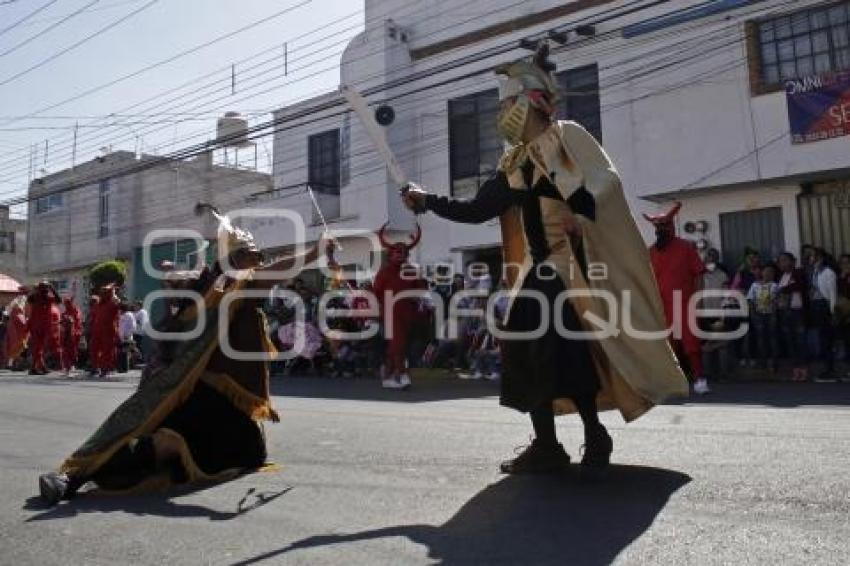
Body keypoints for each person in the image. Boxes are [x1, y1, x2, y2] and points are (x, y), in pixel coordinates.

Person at [402, 43, 687, 474]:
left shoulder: (566, 137)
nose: (503, 113)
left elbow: (603, 182)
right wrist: (425, 202)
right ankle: (548, 445)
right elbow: (477, 209)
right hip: (540, 269)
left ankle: (594, 435)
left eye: (508, 103)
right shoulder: (513, 162)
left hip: (573, 264)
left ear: (532, 101)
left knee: (567, 351)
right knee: (524, 347)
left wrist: (579, 210)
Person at [37, 204, 333, 506]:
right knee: (158, 439)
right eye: (248, 254)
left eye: (255, 255)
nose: (255, 260)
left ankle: (101, 474)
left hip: (228, 402)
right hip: (198, 393)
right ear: (233, 258)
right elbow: (273, 272)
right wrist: (313, 254)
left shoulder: (220, 289)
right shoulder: (229, 288)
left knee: (248, 451)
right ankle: (72, 478)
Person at [645, 202, 709, 394]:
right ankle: (672, 382)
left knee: (691, 345)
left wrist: (698, 301)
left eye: (664, 226)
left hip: (684, 303)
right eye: (657, 227)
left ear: (671, 226)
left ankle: (699, 380)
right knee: (667, 346)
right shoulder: (651, 252)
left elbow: (698, 275)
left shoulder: (686, 247)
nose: (660, 230)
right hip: (662, 306)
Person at [776, 252, 808, 381]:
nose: (782, 263)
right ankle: (795, 369)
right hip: (785, 311)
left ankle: (804, 368)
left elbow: (799, 286)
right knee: (790, 341)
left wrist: (784, 289)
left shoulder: (798, 273)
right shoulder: (781, 276)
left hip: (797, 311)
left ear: (792, 261)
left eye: (785, 260)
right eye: (780, 261)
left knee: (800, 341)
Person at [808, 247, 837, 381]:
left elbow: (832, 294)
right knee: (822, 338)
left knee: (827, 339)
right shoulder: (815, 272)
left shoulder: (828, 272)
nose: (810, 259)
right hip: (816, 306)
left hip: (824, 306)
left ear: (820, 258)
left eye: (813, 256)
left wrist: (833, 312)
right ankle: (826, 367)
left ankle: (830, 369)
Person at [746, 264, 779, 372]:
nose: (768, 273)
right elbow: (750, 300)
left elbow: (776, 301)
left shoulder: (775, 286)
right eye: (766, 271)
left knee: (772, 338)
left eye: (771, 272)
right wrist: (752, 314)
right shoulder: (755, 285)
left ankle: (773, 363)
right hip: (758, 315)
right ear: (762, 272)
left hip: (770, 315)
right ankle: (763, 362)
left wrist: (774, 315)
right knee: (760, 339)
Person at [26, 281, 63, 375]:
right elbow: (59, 300)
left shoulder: (35, 297)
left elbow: (29, 298)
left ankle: (40, 367)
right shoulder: (48, 297)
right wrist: (52, 288)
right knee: (39, 347)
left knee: (38, 347)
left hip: (36, 325)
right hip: (42, 326)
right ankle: (34, 367)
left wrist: (36, 290)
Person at [88, 284, 120, 378]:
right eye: (102, 292)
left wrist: (114, 294)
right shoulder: (98, 305)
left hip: (108, 331)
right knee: (93, 349)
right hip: (96, 331)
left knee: (107, 351)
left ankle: (105, 369)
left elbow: (121, 305)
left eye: (105, 292)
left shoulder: (113, 303)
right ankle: (95, 368)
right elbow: (93, 317)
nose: (102, 294)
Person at [5, 289, 28, 370]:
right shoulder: (18, 311)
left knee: (15, 346)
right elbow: (23, 323)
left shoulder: (14, 309)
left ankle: (11, 363)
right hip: (18, 333)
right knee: (19, 346)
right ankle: (16, 364)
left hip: (15, 331)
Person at [60, 296, 83, 376]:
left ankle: (71, 366)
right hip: (66, 334)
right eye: (65, 303)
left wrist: (69, 320)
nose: (66, 305)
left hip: (74, 334)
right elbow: (62, 322)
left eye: (67, 303)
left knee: (72, 351)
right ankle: (67, 367)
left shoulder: (76, 311)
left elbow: (77, 321)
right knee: (65, 351)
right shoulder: (65, 312)